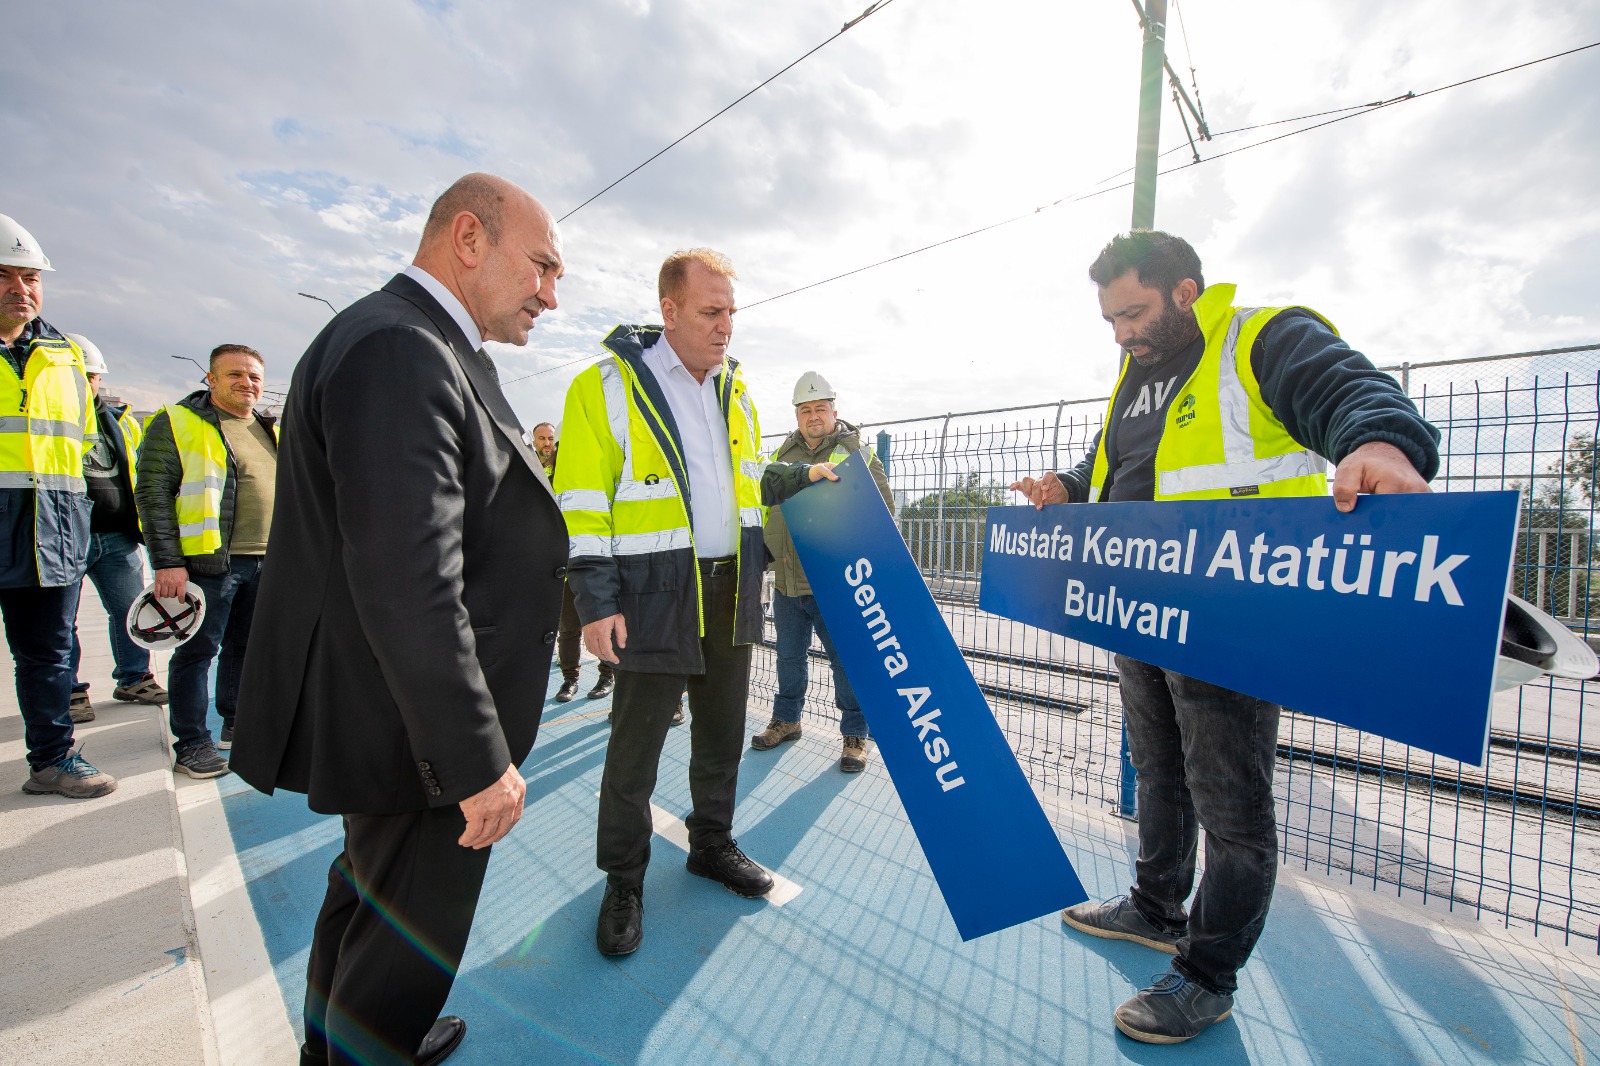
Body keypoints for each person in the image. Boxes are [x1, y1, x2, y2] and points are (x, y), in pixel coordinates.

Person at [1011, 231, 1440, 1045]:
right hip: (1138, 606)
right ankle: (1153, 907)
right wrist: (1070, 485)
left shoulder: (1258, 336)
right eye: (1108, 320)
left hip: (1232, 619)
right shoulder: (1134, 375)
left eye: (1131, 313)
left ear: (1184, 292)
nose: (1121, 334)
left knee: (1232, 806)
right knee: (1157, 767)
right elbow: (1120, 461)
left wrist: (1379, 442)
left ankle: (1207, 976)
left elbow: (1349, 389)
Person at [229, 173, 568, 1066]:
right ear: (468, 238)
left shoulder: (396, 338)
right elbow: (410, 581)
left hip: (389, 721)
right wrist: (475, 762)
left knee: (366, 900)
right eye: (541, 265)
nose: (551, 293)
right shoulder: (403, 351)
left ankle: (332, 1048)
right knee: (405, 947)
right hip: (417, 738)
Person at [556, 248, 833, 958]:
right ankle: (623, 879)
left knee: (719, 734)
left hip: (731, 587)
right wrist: (594, 601)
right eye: (712, 312)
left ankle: (711, 844)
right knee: (636, 747)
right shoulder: (605, 386)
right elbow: (583, 504)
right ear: (669, 310)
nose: (725, 327)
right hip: (651, 594)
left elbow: (739, 479)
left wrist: (800, 476)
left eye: (732, 313)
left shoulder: (734, 391)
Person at [0, 214, 116, 799]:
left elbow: (87, 455)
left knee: (47, 655)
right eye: (2, 275)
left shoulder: (67, 356)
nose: (20, 288)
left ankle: (51, 759)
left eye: (30, 277)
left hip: (51, 531)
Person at [136, 343, 277, 779]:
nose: (246, 383)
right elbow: (152, 493)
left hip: (265, 560)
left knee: (246, 650)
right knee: (197, 653)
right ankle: (192, 743)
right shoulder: (178, 422)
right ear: (210, 379)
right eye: (234, 374)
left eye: (254, 376)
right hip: (208, 563)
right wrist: (167, 561)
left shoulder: (268, 428)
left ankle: (236, 725)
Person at [752, 370, 892, 772]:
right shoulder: (782, 455)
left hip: (836, 580)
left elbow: (883, 510)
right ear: (797, 416)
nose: (813, 416)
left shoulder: (857, 454)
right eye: (805, 410)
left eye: (820, 408)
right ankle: (787, 720)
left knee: (845, 661)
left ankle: (854, 736)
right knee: (788, 656)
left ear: (834, 411)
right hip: (788, 577)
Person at [66, 334, 166, 723]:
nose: (85, 382)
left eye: (91, 376)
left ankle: (133, 677)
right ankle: (70, 691)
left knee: (130, 611)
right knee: (61, 620)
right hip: (65, 535)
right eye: (78, 374)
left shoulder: (121, 422)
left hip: (117, 534)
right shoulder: (48, 419)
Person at [534, 420, 616, 705]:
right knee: (568, 628)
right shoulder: (551, 475)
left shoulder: (597, 471)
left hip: (596, 564)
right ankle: (570, 679)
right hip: (565, 565)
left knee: (602, 622)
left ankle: (607, 676)